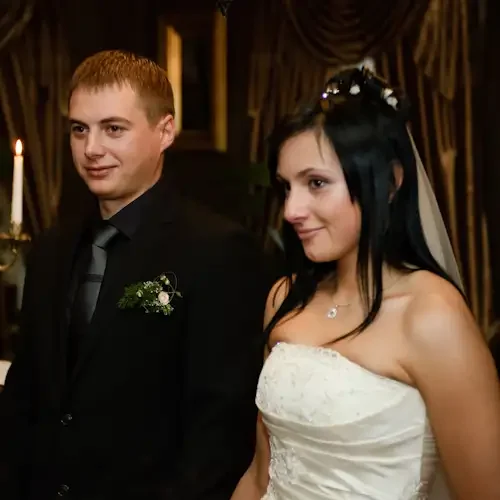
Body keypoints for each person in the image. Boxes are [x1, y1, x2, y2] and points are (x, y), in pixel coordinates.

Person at [0, 50, 272, 500]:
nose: (91, 149)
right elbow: (26, 394)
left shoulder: (216, 250)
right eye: (79, 129)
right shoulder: (51, 248)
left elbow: (219, 428)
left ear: (165, 130)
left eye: (113, 129)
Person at [231, 67, 500, 499]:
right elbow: (259, 476)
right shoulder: (285, 298)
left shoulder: (432, 317)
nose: (291, 210)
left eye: (316, 183)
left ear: (390, 182)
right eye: (286, 187)